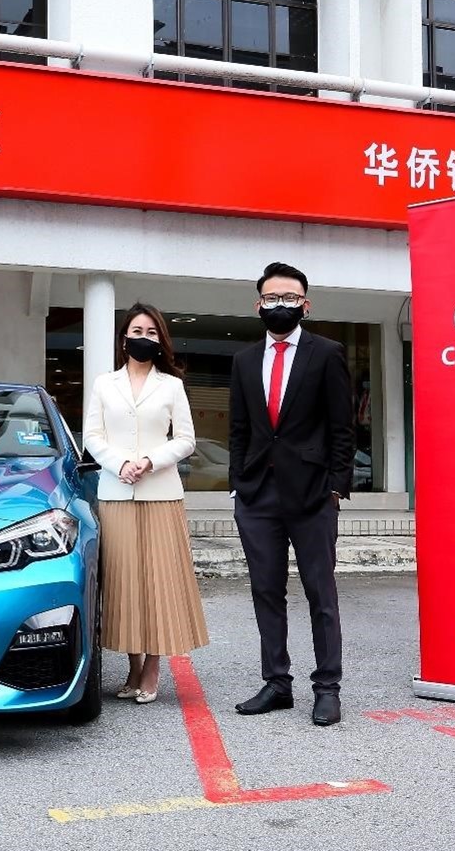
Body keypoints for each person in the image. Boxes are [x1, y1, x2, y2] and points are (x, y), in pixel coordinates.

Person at [229, 262, 354, 727]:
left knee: (321, 593)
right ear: (258, 304)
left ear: (305, 304)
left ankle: (327, 687)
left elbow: (343, 427)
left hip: (313, 496)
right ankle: (277, 683)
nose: (279, 305)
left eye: (289, 299)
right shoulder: (243, 360)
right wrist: (237, 485)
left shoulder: (327, 353)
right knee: (267, 591)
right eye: (271, 298)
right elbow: (240, 428)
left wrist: (336, 487)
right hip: (257, 496)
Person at [83, 302, 208, 705]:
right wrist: (120, 463)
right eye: (138, 331)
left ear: (161, 341)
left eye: (152, 333)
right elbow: (92, 436)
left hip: (161, 493)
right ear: (124, 339)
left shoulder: (171, 385)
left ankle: (152, 666)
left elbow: (186, 439)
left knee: (158, 581)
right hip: (115, 493)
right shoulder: (104, 384)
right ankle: (132, 666)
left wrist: (150, 461)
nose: (144, 338)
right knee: (123, 582)